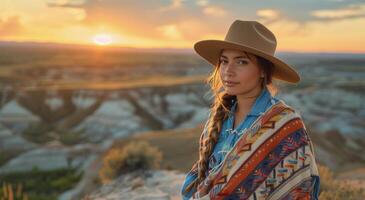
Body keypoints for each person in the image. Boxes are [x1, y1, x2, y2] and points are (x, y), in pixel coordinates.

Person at [180, 20, 320, 200]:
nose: (228, 71)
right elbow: (200, 177)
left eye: (241, 62)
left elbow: (296, 189)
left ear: (263, 71)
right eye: (224, 61)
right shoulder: (219, 116)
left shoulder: (285, 123)